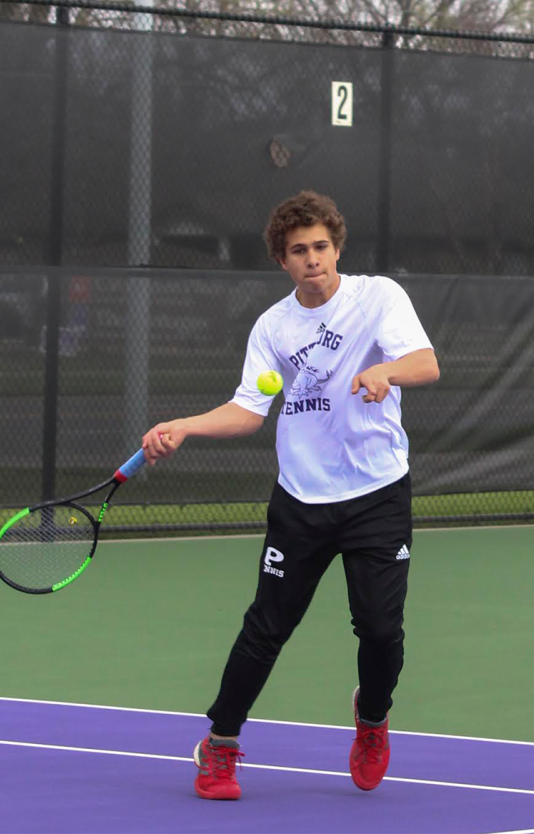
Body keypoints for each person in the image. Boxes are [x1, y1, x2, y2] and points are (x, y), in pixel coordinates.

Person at [141, 190, 439, 800]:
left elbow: (426, 363)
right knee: (266, 628)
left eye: (321, 247)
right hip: (301, 501)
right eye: (298, 250)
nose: (312, 259)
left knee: (382, 631)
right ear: (282, 260)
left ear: (337, 247)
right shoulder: (273, 327)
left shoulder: (378, 297)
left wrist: (387, 371)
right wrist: (186, 426)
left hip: (378, 493)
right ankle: (219, 746)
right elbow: (248, 411)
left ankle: (372, 721)